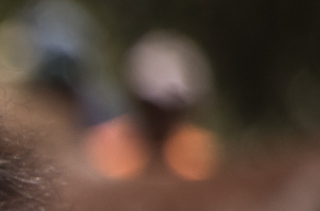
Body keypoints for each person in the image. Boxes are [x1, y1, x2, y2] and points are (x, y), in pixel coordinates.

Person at [83, 30, 219, 180]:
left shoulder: (199, 150)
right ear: (138, 100)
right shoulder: (107, 146)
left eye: (172, 107)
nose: (162, 115)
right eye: (154, 107)